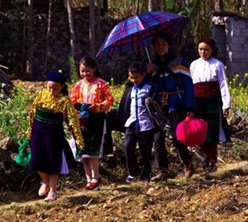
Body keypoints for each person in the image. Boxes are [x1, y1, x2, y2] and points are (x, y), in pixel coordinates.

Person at [27, 70, 84, 202]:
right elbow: (32, 113)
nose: (52, 91)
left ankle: (52, 191)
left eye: (56, 88)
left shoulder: (64, 101)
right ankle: (45, 181)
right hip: (38, 131)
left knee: (53, 163)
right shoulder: (41, 94)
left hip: (54, 134)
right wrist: (29, 132)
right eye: (50, 87)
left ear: (62, 87)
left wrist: (78, 139)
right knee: (36, 160)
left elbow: (72, 121)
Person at [147, 32, 196, 180]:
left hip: (177, 104)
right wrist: (148, 73)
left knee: (176, 137)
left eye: (163, 44)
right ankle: (162, 170)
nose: (160, 47)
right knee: (158, 139)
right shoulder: (151, 65)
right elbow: (147, 86)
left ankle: (188, 164)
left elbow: (189, 85)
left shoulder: (180, 62)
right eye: (157, 44)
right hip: (158, 107)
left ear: (169, 45)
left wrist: (190, 107)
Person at [70, 56, 115, 190]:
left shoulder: (101, 84)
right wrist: (78, 107)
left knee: (93, 150)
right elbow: (72, 101)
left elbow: (109, 100)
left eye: (87, 71)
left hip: (96, 120)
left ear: (94, 69)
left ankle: (96, 177)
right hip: (82, 120)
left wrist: (98, 107)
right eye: (82, 71)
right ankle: (89, 179)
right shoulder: (78, 85)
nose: (85, 74)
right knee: (84, 151)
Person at [190, 36, 232, 172]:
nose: (203, 52)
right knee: (199, 131)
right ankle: (205, 159)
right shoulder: (194, 65)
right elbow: (191, 85)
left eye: (206, 50)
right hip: (198, 102)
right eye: (200, 49)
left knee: (212, 133)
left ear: (212, 50)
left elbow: (223, 84)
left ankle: (212, 162)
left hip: (213, 102)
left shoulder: (217, 64)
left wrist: (226, 104)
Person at [115, 61, 158, 182]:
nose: (134, 80)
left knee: (145, 151)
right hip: (132, 123)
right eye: (131, 78)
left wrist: (152, 102)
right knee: (128, 146)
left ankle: (145, 174)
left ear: (143, 74)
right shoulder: (130, 89)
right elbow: (125, 106)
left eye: (136, 77)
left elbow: (157, 104)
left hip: (146, 124)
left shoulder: (149, 88)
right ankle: (133, 173)